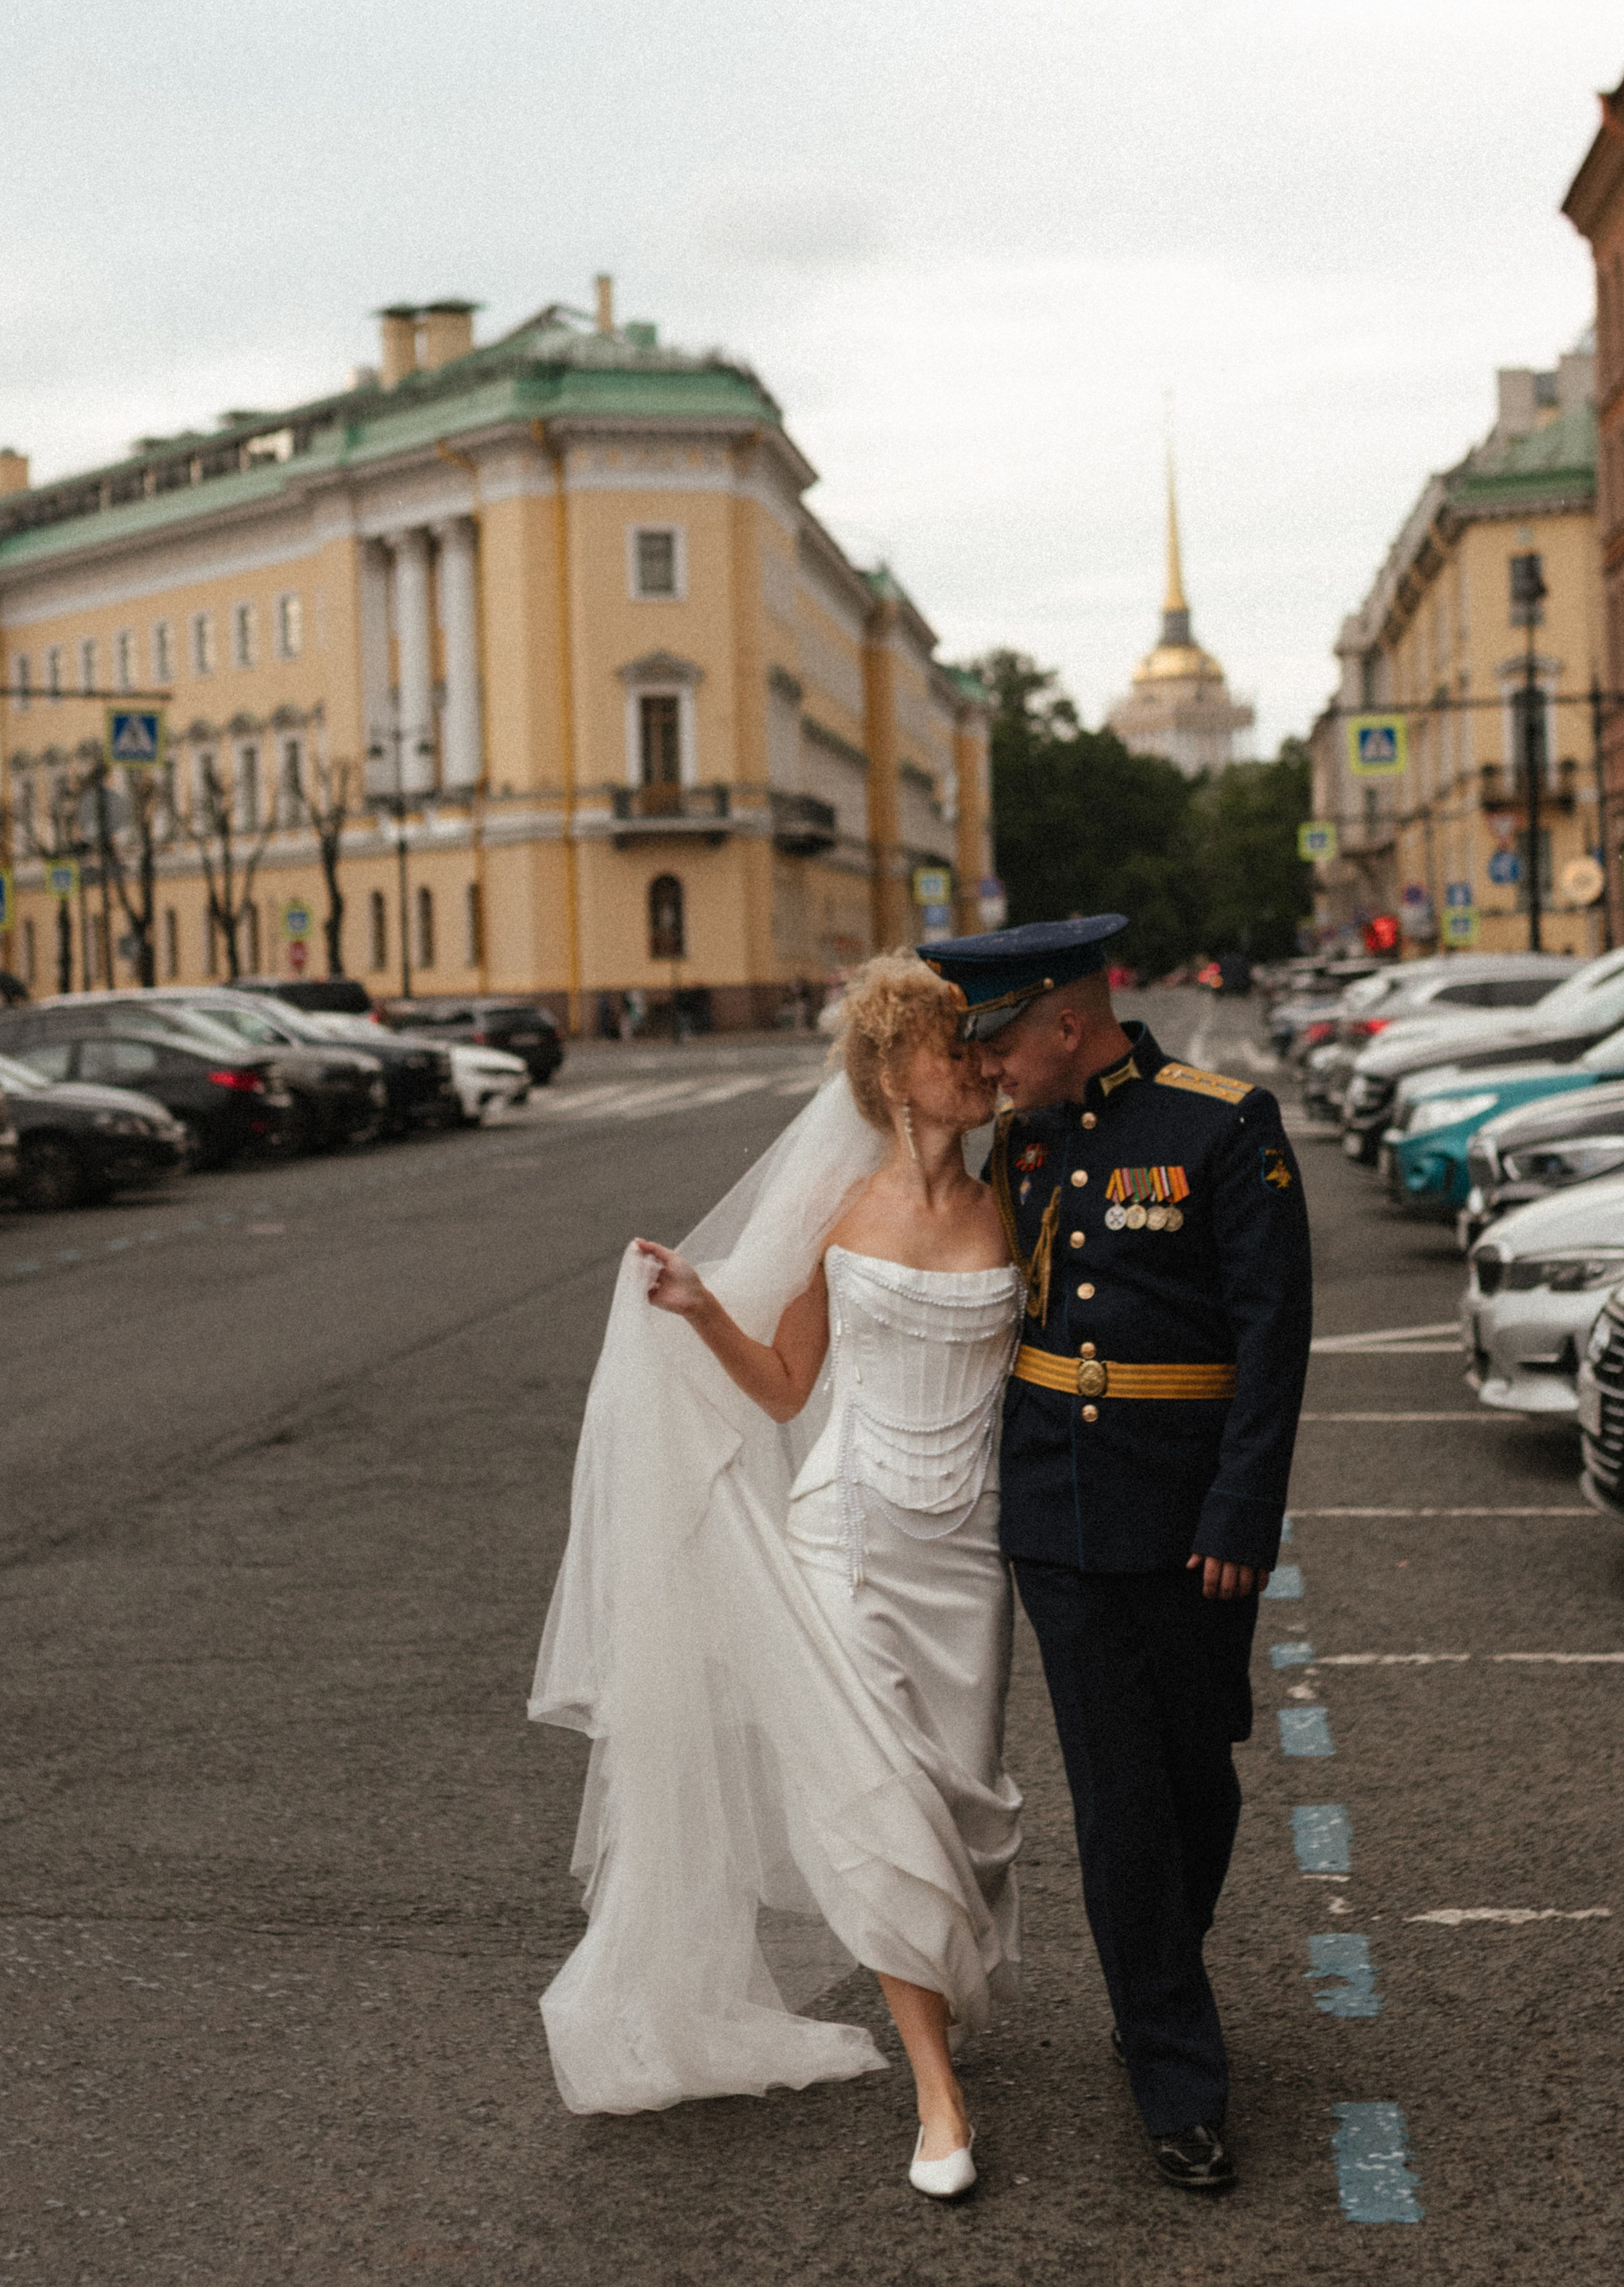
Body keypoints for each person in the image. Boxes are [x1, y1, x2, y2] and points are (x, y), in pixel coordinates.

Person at [530, 953, 1025, 2197]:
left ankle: (934, 2009)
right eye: (946, 1047)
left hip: (970, 1556)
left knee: (962, 1811)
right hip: (845, 1537)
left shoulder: (1021, 1193)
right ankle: (936, 2092)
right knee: (877, 1803)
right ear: (890, 1076)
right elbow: (789, 1388)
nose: (973, 1063)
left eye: (974, 1045)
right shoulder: (840, 1214)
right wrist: (702, 1310)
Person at [919, 917, 1312, 2194]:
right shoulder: (1020, 1143)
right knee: (1120, 1800)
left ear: (1066, 1028)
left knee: (1199, 1781)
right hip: (1060, 1517)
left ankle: (1159, 1970)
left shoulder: (1221, 1126)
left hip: (1191, 1521)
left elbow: (1273, 1340)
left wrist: (1242, 1516)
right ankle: (1174, 2072)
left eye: (1001, 1045)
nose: (992, 1069)